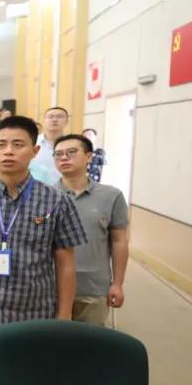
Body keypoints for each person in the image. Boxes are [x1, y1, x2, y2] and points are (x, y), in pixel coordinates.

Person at [0, 116, 87, 343]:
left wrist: (64, 315)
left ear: (35, 151)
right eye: (1, 145)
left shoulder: (57, 200)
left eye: (18, 145)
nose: (8, 151)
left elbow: (65, 264)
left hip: (36, 320)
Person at [54, 134, 129, 325]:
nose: (64, 158)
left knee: (90, 341)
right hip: (52, 288)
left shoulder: (111, 195)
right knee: (52, 341)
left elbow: (119, 241)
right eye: (58, 154)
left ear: (88, 156)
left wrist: (117, 283)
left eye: (71, 152)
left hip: (94, 289)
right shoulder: (45, 195)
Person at [30, 106, 69, 184]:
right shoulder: (32, 142)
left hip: (64, 188)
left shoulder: (72, 144)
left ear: (67, 121)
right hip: (37, 188)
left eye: (59, 117)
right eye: (50, 117)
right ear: (44, 120)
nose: (54, 120)